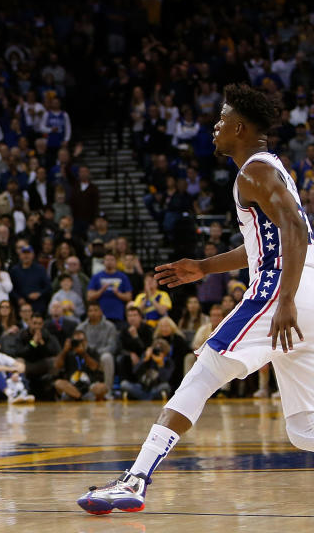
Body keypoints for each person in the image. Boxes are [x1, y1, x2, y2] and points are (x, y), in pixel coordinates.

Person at [78, 85, 314, 514]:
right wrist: (204, 267)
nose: (215, 127)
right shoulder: (269, 169)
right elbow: (266, 243)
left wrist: (287, 300)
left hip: (285, 287)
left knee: (202, 372)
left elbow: (295, 231)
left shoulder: (254, 173)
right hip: (305, 285)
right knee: (303, 428)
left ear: (241, 128)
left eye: (222, 120)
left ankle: (134, 480)